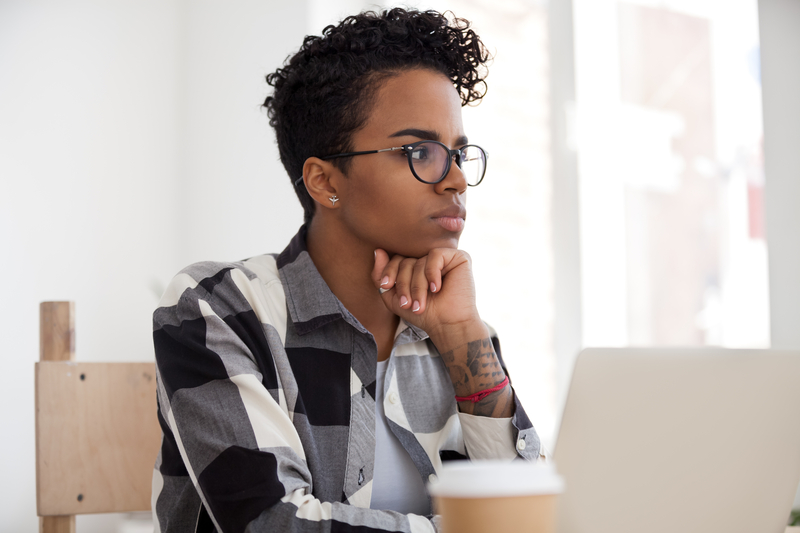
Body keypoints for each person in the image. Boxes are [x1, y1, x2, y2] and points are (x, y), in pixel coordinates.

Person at [151, 7, 543, 533]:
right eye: (420, 151)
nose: (455, 180)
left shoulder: (461, 333)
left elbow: (528, 512)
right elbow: (270, 523)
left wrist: (462, 336)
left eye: (458, 152)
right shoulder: (222, 309)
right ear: (324, 182)